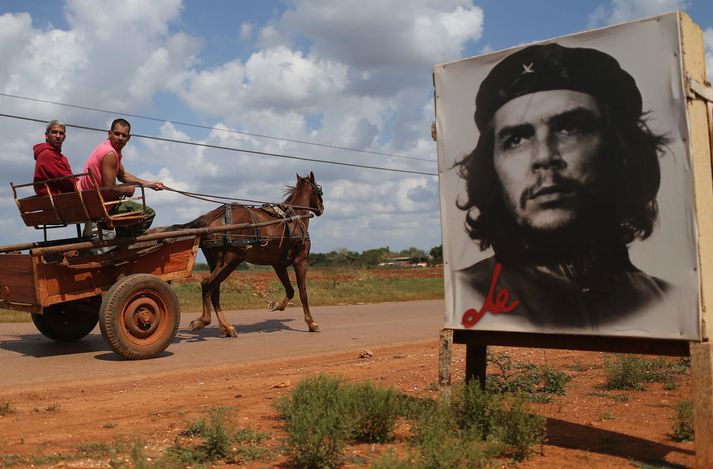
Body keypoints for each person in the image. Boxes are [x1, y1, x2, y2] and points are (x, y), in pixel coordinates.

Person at [454, 43, 671, 331]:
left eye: (570, 128)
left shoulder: (665, 300)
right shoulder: (466, 291)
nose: (544, 157)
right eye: (516, 139)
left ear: (619, 150)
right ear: (490, 168)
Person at [78, 118, 164, 237]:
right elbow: (109, 191)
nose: (120, 138)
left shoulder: (106, 148)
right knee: (148, 213)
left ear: (128, 138)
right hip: (101, 206)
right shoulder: (110, 154)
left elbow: (123, 175)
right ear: (109, 133)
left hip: (93, 202)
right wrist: (127, 189)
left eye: (124, 135)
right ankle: (124, 246)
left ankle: (120, 240)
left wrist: (150, 184)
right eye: (117, 133)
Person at [33, 120, 75, 196]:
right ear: (46, 135)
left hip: (63, 197)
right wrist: (84, 183)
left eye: (61, 133)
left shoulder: (62, 157)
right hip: (58, 199)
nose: (58, 136)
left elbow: (70, 179)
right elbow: (68, 181)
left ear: (64, 137)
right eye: (54, 132)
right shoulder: (47, 154)